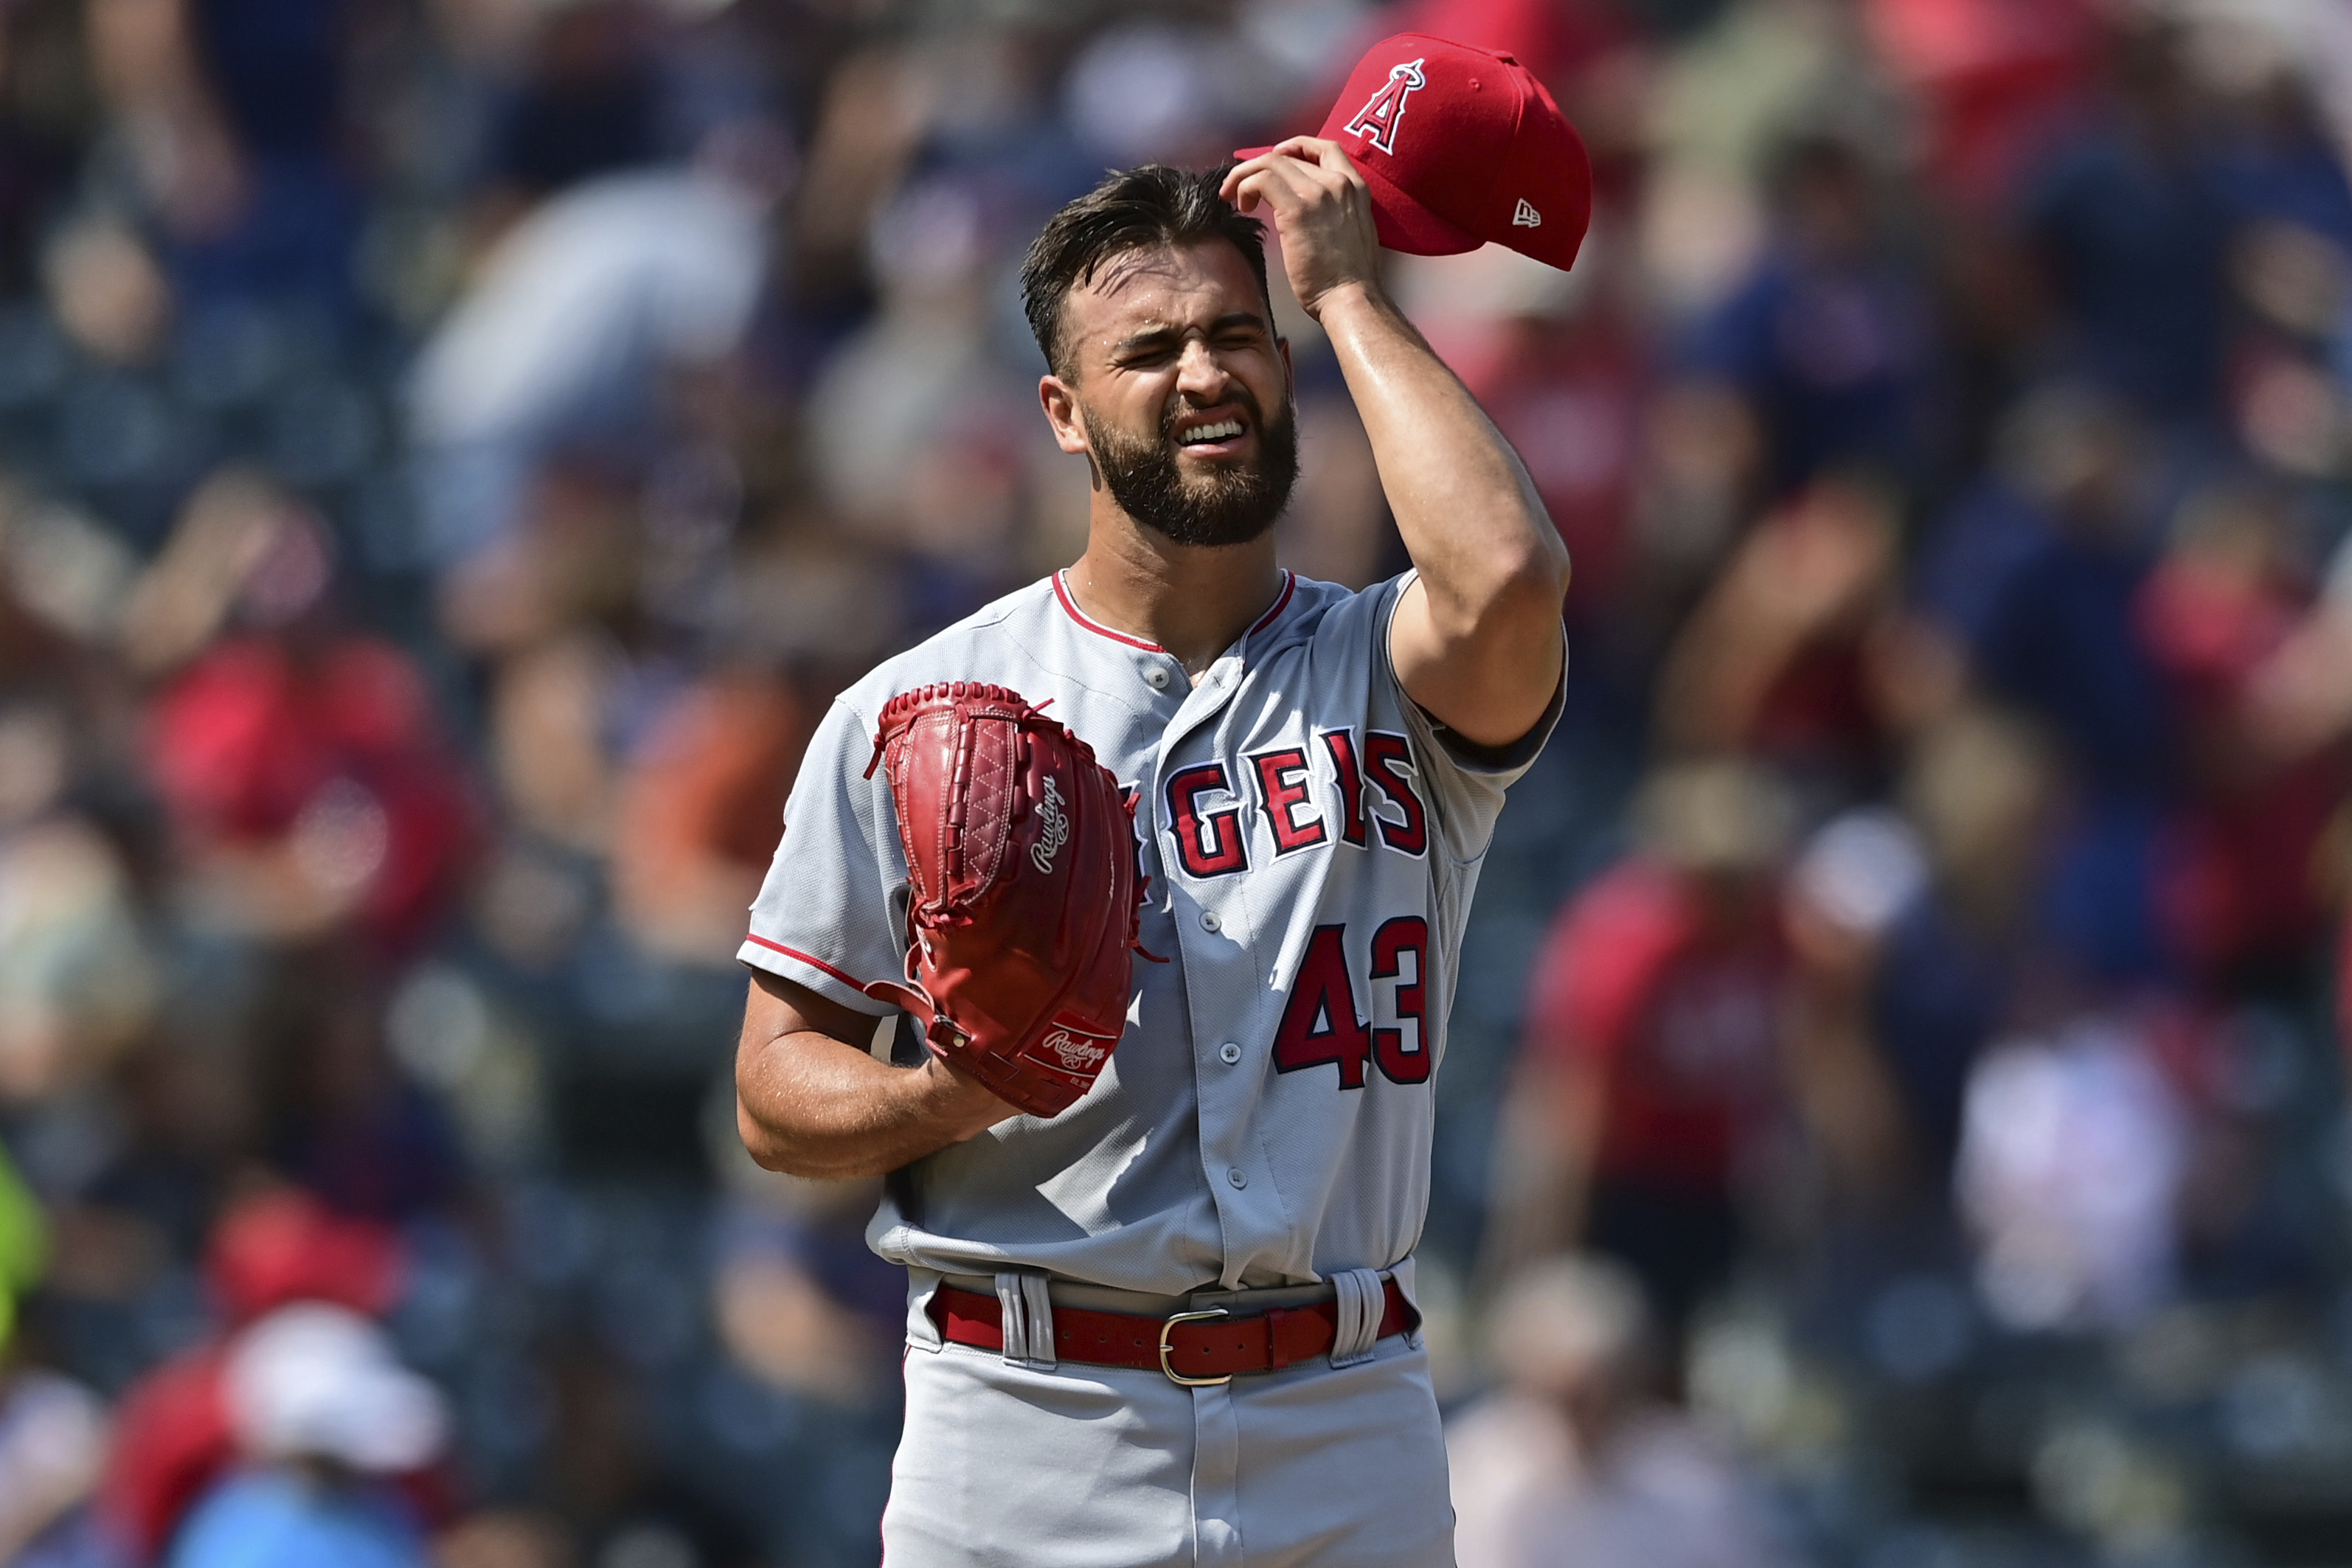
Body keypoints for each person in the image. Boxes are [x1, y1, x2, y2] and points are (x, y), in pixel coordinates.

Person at [732, 142, 1570, 1567]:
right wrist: (951, 1090)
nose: (1206, 372)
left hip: (1344, 1413)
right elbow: (772, 1089)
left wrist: (1349, 294)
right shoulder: (917, 710)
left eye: (1238, 334)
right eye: (1153, 348)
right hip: (1027, 1419)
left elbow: (1503, 578)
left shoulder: (1391, 666)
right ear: (1062, 412)